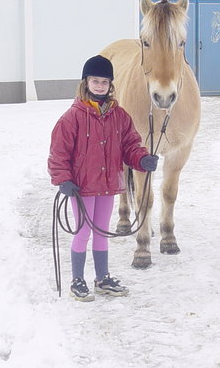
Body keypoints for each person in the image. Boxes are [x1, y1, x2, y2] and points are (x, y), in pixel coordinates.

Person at [47, 55, 159, 302]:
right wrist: (62, 178)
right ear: (85, 82)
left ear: (110, 85)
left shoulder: (119, 116)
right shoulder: (72, 117)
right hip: (81, 187)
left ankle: (102, 277)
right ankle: (77, 279)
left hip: (108, 186)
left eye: (104, 81)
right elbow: (58, 152)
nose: (99, 86)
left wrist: (141, 159)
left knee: (102, 232)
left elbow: (130, 144)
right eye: (95, 81)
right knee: (83, 231)